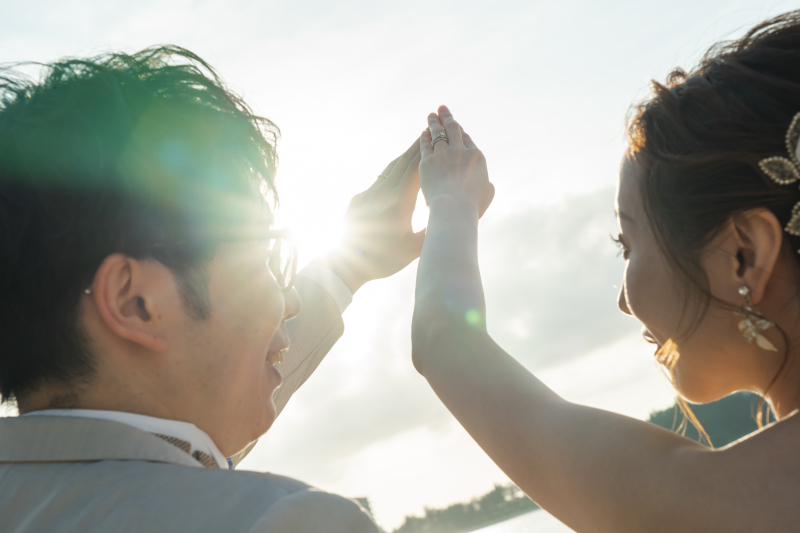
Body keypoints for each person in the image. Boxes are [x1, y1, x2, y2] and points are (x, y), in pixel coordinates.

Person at [0, 46, 424, 532]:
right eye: (265, 259)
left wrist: (352, 263)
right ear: (135, 302)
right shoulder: (286, 520)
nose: (290, 301)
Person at [412, 11, 800, 533]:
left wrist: (451, 202)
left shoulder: (726, 502)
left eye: (628, 244)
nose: (622, 300)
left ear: (744, 255)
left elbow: (444, 342)